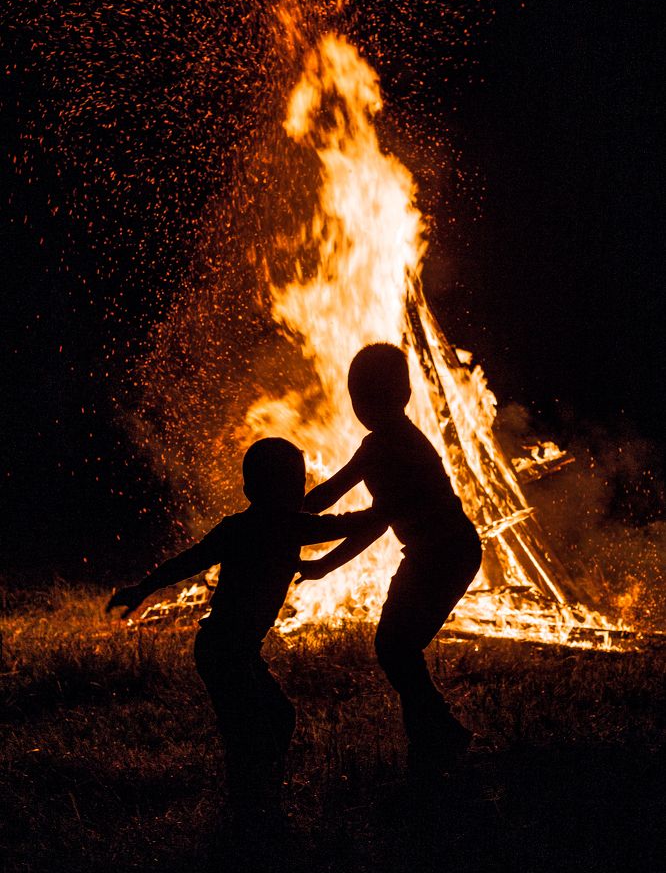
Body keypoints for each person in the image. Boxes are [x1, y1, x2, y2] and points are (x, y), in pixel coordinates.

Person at [107, 436, 384, 825]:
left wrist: (143, 588)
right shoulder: (286, 527)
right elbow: (349, 524)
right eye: (294, 482)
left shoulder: (238, 527)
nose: (299, 490)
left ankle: (258, 798)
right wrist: (392, 503)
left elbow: (186, 562)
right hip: (225, 651)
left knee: (274, 718)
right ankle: (250, 809)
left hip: (231, 649)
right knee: (253, 730)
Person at [298, 343, 482, 774]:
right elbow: (332, 492)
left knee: (396, 646)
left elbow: (372, 522)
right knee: (397, 647)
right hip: (434, 553)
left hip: (446, 554)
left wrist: (314, 547)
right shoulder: (381, 442)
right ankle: (433, 738)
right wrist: (289, 514)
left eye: (360, 398)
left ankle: (440, 733)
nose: (360, 408)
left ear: (364, 402)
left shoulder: (395, 445)